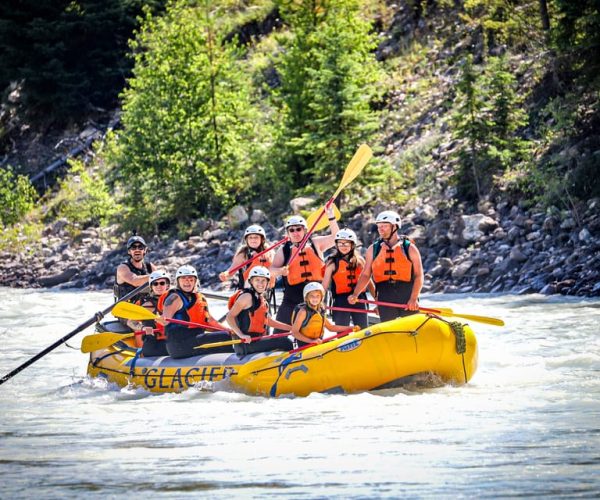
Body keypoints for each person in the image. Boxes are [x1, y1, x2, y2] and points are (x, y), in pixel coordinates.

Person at [270, 207, 339, 331]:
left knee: (312, 329)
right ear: (288, 233)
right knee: (280, 330)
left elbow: (336, 237)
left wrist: (331, 217)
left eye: (298, 229)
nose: (295, 233)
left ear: (305, 231)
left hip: (314, 295)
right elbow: (270, 271)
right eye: (292, 230)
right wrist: (280, 271)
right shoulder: (284, 250)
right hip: (292, 295)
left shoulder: (316, 243)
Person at [348, 210, 424, 322]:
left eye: (384, 226)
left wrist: (413, 299)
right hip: (384, 294)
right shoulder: (373, 249)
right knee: (390, 333)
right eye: (379, 226)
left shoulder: (410, 248)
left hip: (406, 293)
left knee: (412, 331)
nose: (380, 229)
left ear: (395, 227)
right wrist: (355, 294)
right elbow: (365, 275)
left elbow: (419, 276)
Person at [161, 265, 231, 359]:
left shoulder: (199, 298)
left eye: (191, 279)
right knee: (224, 337)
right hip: (179, 344)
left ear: (195, 281)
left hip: (194, 339)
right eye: (184, 279)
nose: (187, 282)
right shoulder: (174, 298)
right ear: (178, 281)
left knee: (227, 335)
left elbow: (210, 322)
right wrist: (162, 319)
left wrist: (229, 330)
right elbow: (165, 318)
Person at [226, 266, 294, 357]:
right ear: (251, 281)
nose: (260, 283)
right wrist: (241, 335)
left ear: (267, 283)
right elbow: (229, 317)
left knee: (285, 339)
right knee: (286, 342)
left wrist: (293, 328)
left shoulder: (262, 300)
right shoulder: (247, 297)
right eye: (257, 280)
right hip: (245, 343)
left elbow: (269, 321)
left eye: (263, 281)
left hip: (257, 340)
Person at [322, 228, 374, 329]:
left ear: (352, 245)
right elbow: (324, 286)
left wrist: (376, 300)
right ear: (336, 245)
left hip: (359, 299)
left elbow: (369, 283)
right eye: (340, 243)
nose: (343, 246)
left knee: (362, 330)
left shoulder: (360, 261)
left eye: (347, 243)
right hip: (341, 301)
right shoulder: (332, 263)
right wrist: (320, 303)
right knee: (342, 332)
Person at [291, 282, 358, 348]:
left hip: (317, 344)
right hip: (305, 346)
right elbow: (294, 332)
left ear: (321, 297)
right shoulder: (303, 312)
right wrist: (311, 341)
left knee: (337, 345)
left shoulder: (320, 310)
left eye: (318, 296)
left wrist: (350, 328)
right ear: (307, 297)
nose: (315, 299)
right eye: (312, 296)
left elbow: (331, 327)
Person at [125, 270, 171, 357]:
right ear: (151, 286)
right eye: (155, 284)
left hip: (171, 340)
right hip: (153, 344)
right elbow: (130, 322)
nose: (159, 286)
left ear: (167, 285)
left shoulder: (175, 301)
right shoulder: (143, 303)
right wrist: (142, 328)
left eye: (162, 283)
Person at [219, 225, 276, 290]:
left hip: (266, 288)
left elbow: (276, 268)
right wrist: (226, 274)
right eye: (250, 237)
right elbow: (232, 269)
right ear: (247, 240)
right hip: (248, 288)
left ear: (262, 239)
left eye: (256, 237)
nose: (253, 240)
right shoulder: (243, 253)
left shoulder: (270, 252)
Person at [114, 235, 156, 302]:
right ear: (129, 251)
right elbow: (135, 281)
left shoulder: (150, 267)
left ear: (145, 250)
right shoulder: (122, 268)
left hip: (145, 308)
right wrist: (156, 276)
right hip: (125, 309)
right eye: (133, 247)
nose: (137, 250)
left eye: (140, 247)